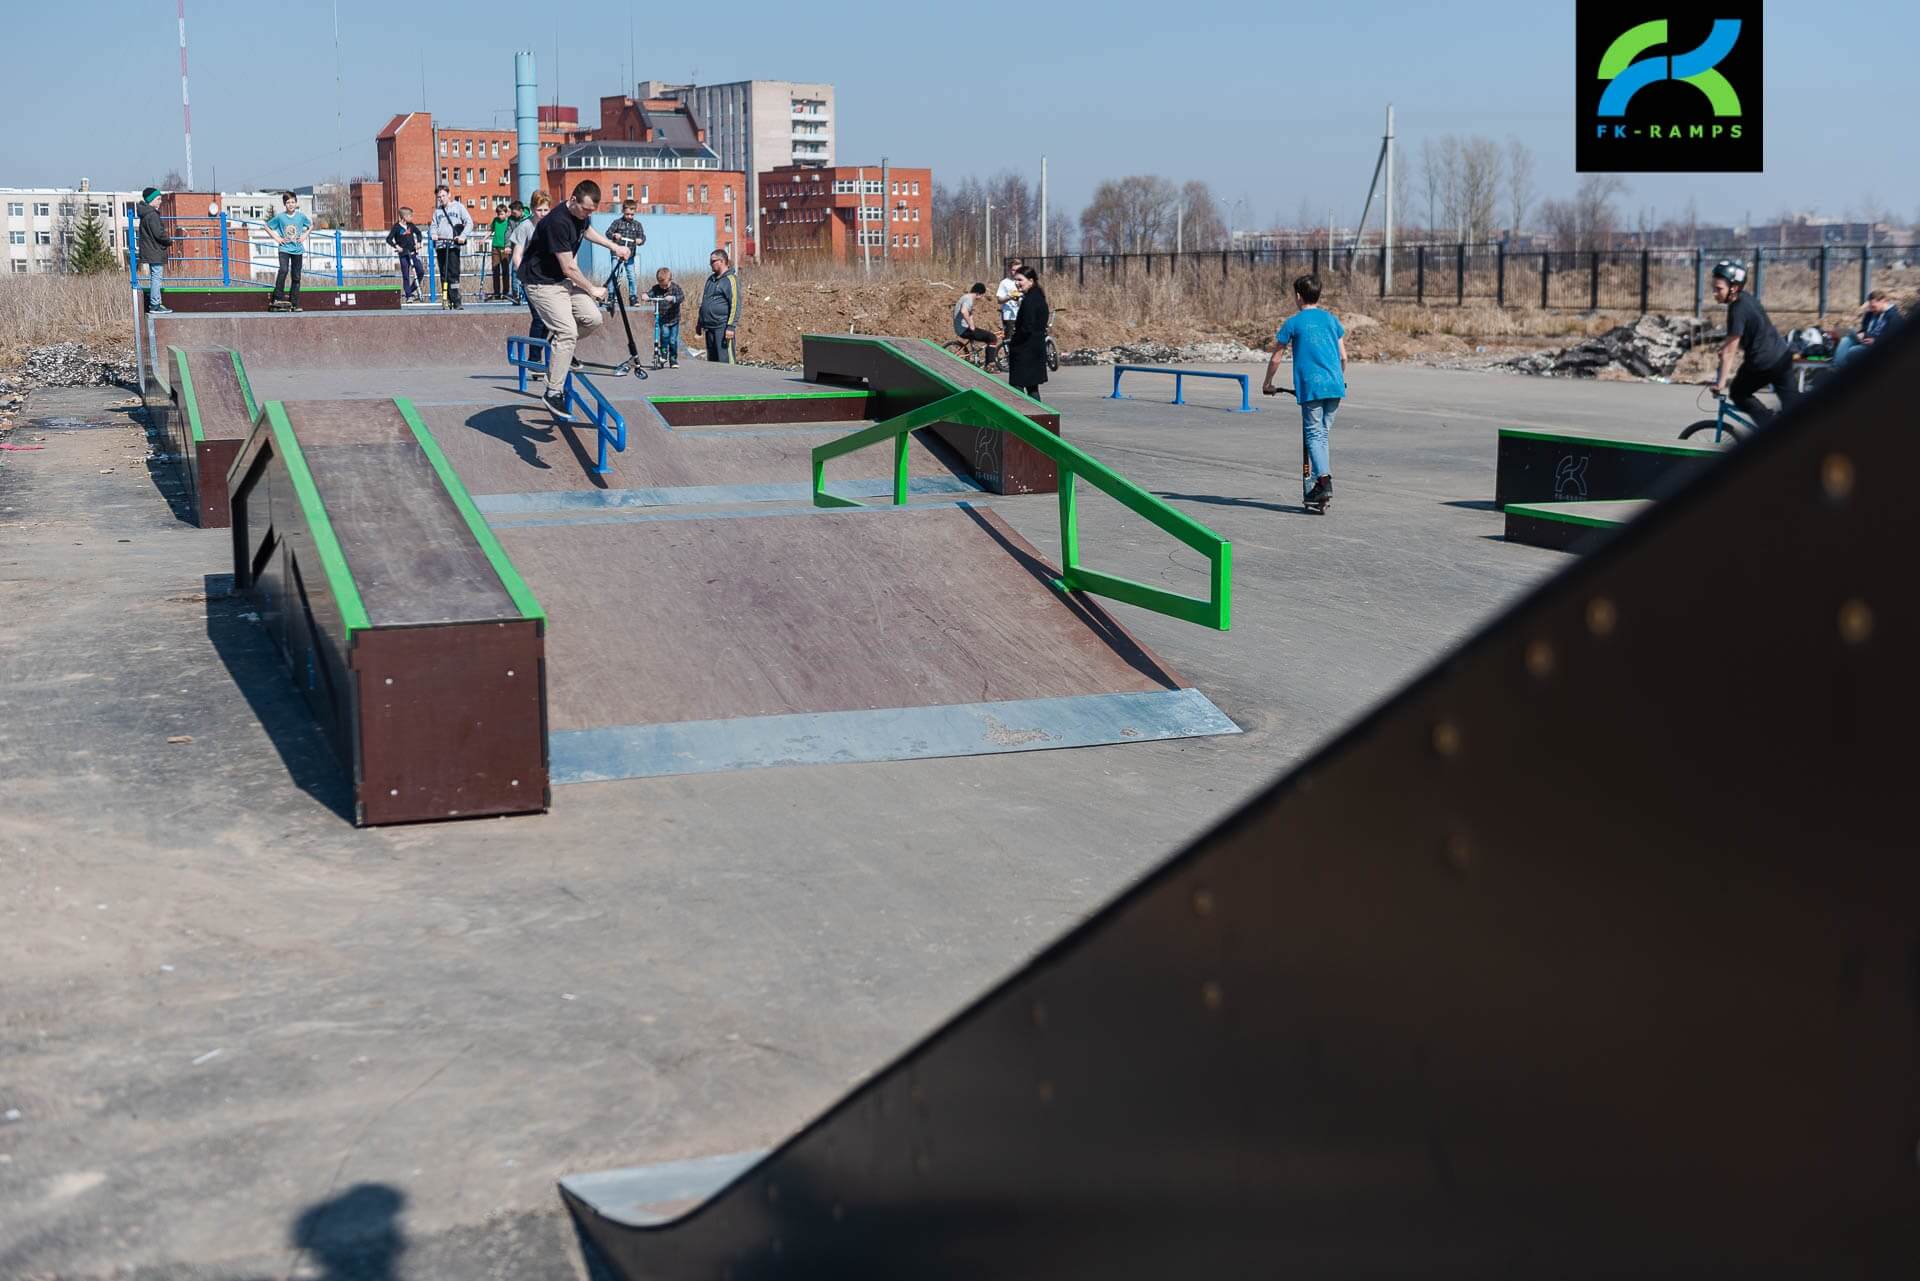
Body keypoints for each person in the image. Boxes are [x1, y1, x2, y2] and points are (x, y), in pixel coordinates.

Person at [519, 180, 632, 415]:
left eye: (592, 211)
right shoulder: (557, 223)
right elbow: (569, 267)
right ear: (572, 201)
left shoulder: (580, 216)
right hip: (541, 284)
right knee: (567, 332)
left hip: (561, 281)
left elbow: (586, 230)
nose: (588, 214)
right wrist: (592, 289)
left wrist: (613, 246)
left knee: (593, 318)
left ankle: (561, 350)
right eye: (586, 210)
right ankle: (552, 392)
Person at [1261, 273, 1347, 511]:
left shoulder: (1294, 322)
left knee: (1314, 436)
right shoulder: (1331, 320)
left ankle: (1323, 481)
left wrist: (1268, 382)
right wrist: (1339, 379)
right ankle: (1320, 485)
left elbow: (1277, 356)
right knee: (1321, 436)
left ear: (1298, 296)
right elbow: (1343, 356)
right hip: (1336, 386)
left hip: (1312, 387)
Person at [1710, 259, 1797, 427]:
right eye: (1713, 288)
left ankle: (1769, 427)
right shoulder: (1747, 299)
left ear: (1733, 288)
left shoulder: (1737, 310)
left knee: (1738, 393)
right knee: (1794, 407)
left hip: (1762, 363)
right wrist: (1726, 348)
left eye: (1718, 289)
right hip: (1782, 357)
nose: (1714, 293)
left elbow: (1730, 351)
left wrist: (1720, 383)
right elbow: (1748, 333)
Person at [509, 192, 552, 371]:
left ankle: (541, 355)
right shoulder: (525, 227)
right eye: (539, 210)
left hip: (548, 279)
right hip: (530, 278)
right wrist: (523, 277)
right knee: (538, 318)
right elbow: (517, 256)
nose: (543, 213)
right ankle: (534, 360)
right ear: (533, 210)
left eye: (546, 210)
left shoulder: (551, 226)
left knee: (549, 319)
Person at [1006, 265, 1051, 400]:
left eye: (1020, 280)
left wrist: (1014, 342)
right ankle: (1037, 418)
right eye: (1016, 280)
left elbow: (1027, 328)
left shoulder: (1030, 300)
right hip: (1035, 348)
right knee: (1032, 388)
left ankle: (1022, 417)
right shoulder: (1038, 296)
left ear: (1031, 281)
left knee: (1017, 387)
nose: (1017, 283)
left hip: (1025, 350)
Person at [265, 191, 312, 313]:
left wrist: (304, 236)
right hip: (284, 249)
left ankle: (294, 303)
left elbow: (311, 225)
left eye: (292, 202)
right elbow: (267, 226)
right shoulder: (280, 217)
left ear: (296, 203)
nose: (290, 204)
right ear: (284, 204)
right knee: (283, 270)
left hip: (297, 250)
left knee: (296, 276)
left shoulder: (301, 216)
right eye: (288, 202)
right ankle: (277, 298)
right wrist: (277, 239)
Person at [429, 185, 473, 310]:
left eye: (443, 196)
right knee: (443, 274)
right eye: (439, 197)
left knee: (453, 273)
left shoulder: (458, 207)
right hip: (441, 245)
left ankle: (456, 300)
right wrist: (433, 234)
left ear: (449, 194)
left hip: (453, 245)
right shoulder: (437, 211)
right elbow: (433, 225)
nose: (441, 199)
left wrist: (463, 236)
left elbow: (469, 222)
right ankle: (446, 299)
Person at [1833, 290, 1905, 366]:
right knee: (1846, 339)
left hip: (1877, 345)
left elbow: (1893, 337)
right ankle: (1837, 367)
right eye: (1870, 306)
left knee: (1853, 351)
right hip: (1865, 341)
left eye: (1873, 306)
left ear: (1883, 301)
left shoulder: (1895, 317)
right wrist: (1861, 333)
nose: (1871, 309)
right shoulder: (1870, 314)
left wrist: (1875, 341)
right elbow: (1865, 329)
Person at [695, 249, 740, 364]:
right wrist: (700, 323)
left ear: (721, 261)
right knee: (713, 364)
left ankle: (730, 382)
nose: (710, 264)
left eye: (712, 261)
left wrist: (731, 327)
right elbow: (705, 301)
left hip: (722, 327)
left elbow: (735, 305)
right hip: (709, 328)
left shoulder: (731, 280)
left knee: (725, 363)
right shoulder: (710, 279)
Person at [135, 187, 173, 314]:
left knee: (154, 276)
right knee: (157, 276)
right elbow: (159, 233)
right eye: (158, 199)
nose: (160, 201)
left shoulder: (145, 214)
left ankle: (156, 303)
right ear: (151, 201)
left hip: (149, 250)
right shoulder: (152, 215)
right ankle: (155, 304)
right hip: (155, 250)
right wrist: (168, 240)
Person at [606, 202, 647, 305]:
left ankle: (633, 297)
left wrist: (640, 240)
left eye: (632, 214)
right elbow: (608, 233)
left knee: (631, 276)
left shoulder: (637, 225)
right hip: (617, 254)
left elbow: (643, 237)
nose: (629, 216)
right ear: (623, 211)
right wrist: (614, 235)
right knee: (614, 274)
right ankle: (611, 295)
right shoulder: (617, 222)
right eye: (627, 214)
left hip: (630, 255)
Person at [952, 282, 999, 365]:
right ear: (978, 293)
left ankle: (976, 359)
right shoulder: (968, 299)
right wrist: (971, 325)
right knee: (992, 337)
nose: (981, 298)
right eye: (981, 295)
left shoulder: (965, 297)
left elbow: (969, 315)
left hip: (961, 328)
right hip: (964, 329)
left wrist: (972, 324)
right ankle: (990, 364)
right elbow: (964, 311)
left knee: (981, 333)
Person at [647, 267, 685, 368]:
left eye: (665, 285)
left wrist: (673, 298)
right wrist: (645, 296)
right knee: (664, 337)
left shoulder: (675, 288)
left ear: (670, 280)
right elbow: (649, 293)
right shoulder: (656, 288)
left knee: (673, 340)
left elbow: (682, 297)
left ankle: (673, 359)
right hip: (663, 319)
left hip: (674, 319)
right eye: (661, 285)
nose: (663, 288)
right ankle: (663, 355)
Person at [386, 206, 424, 301]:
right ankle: (408, 296)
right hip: (403, 255)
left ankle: (411, 290)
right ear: (404, 217)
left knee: (420, 271)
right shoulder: (396, 227)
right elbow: (388, 239)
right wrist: (396, 246)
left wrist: (418, 242)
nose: (412, 218)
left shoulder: (411, 225)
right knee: (406, 275)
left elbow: (419, 233)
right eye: (410, 216)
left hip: (412, 253)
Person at [489, 201, 516, 301]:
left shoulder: (508, 221)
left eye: (502, 214)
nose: (500, 216)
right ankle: (496, 293)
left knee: (505, 270)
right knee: (495, 270)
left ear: (506, 213)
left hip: (505, 249)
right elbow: (491, 230)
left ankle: (505, 292)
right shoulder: (495, 220)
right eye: (498, 214)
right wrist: (483, 239)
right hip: (495, 248)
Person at [996, 257, 1024, 349]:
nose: (1016, 272)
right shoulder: (1004, 283)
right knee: (1009, 339)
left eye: (1018, 270)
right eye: (1013, 270)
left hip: (1023, 315)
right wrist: (1009, 297)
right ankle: (1009, 359)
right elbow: (999, 299)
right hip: (1009, 316)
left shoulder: (1024, 282)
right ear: (1009, 270)